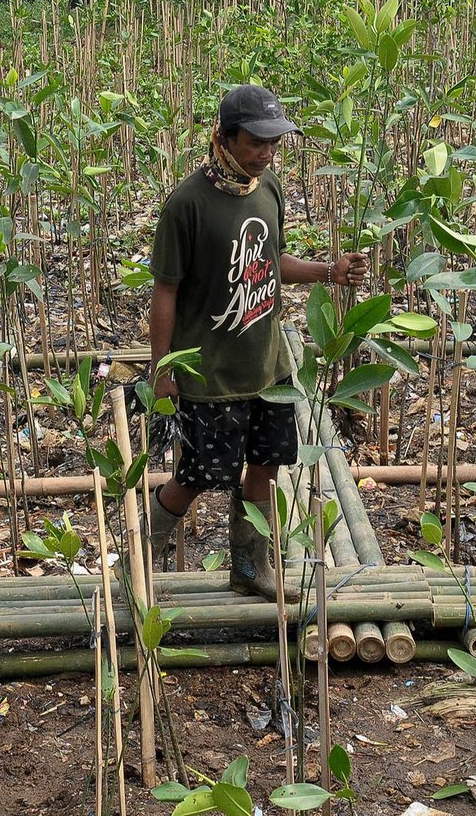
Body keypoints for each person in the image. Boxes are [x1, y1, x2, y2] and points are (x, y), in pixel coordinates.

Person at [148, 84, 367, 603]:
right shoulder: (186, 205)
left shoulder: (268, 190)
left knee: (265, 467)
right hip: (210, 373)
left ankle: (250, 567)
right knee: (196, 476)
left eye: (274, 142)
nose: (267, 152)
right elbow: (165, 292)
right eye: (256, 142)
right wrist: (162, 370)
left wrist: (328, 272)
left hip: (268, 367)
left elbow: (272, 261)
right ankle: (140, 556)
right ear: (223, 138)